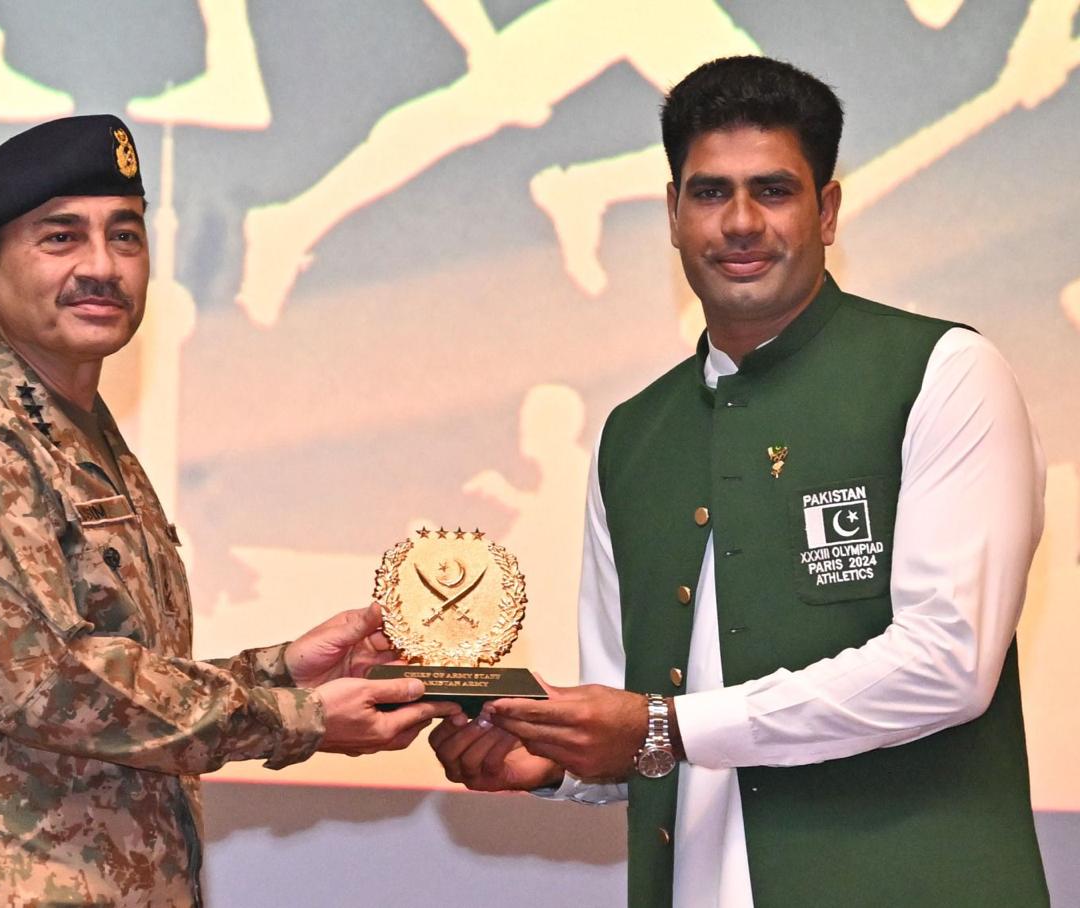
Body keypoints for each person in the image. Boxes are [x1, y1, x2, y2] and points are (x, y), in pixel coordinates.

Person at [430, 56, 1049, 907]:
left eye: (774, 191)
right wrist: (555, 764)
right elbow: (637, 724)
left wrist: (664, 725)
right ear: (673, 216)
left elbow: (947, 664)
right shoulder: (634, 436)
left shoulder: (942, 372)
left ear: (826, 211)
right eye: (711, 193)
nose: (741, 222)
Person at [0, 114, 457, 907]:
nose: (102, 266)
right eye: (61, 238)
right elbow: (48, 685)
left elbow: (118, 669)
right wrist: (297, 716)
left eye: (125, 236)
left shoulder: (80, 439)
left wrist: (280, 670)